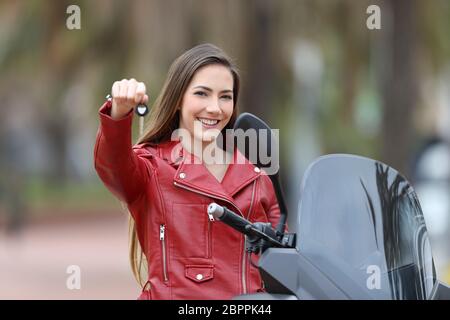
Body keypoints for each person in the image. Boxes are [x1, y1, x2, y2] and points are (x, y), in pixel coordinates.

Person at [94, 43, 283, 299]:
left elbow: (281, 258)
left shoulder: (257, 175)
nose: (215, 108)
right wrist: (119, 113)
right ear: (178, 100)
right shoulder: (151, 165)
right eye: (202, 94)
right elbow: (113, 168)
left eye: (225, 96)